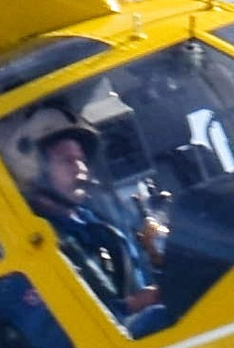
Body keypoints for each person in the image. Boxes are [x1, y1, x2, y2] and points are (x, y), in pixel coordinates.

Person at [20, 117, 163, 327]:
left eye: (82, 160)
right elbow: (59, 337)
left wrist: (158, 259)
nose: (81, 169)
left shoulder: (97, 225)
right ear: (36, 170)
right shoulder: (29, 242)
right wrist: (130, 307)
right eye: (67, 160)